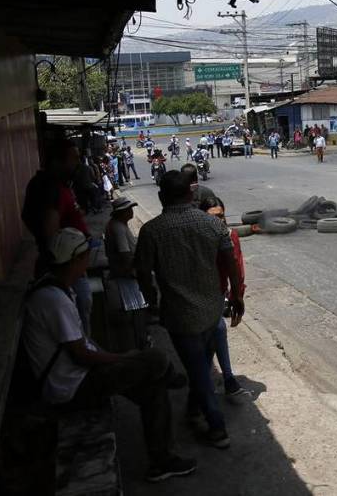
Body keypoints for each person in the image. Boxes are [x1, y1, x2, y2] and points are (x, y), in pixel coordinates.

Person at [22, 228, 195, 482]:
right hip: (72, 388)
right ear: (75, 260)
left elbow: (84, 346)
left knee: (152, 387)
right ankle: (167, 381)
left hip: (78, 377)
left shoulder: (56, 290)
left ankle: (162, 461)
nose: (87, 260)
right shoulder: (54, 300)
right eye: (85, 256)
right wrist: (122, 359)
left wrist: (118, 358)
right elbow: (82, 354)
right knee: (155, 359)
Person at [135, 170, 245, 449]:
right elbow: (230, 260)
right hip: (211, 312)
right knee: (202, 368)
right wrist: (236, 296)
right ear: (190, 195)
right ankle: (193, 411)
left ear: (161, 196)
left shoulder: (151, 231)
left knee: (199, 372)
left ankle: (218, 429)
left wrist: (151, 304)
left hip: (180, 317)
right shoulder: (211, 225)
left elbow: (142, 273)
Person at [22, 138, 95, 333]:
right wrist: (64, 264)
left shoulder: (56, 185)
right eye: (74, 158)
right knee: (77, 321)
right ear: (56, 162)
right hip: (67, 270)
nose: (78, 163)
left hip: (72, 267)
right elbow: (50, 235)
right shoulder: (49, 188)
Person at [199, 195, 252, 402]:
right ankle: (209, 386)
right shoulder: (196, 236)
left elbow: (237, 268)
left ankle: (224, 381)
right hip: (196, 295)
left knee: (217, 333)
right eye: (213, 217)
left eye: (221, 216)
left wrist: (237, 296)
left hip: (218, 295)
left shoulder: (230, 235)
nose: (218, 221)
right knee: (210, 339)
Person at [104, 197, 150, 350]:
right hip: (126, 274)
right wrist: (135, 271)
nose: (131, 212)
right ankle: (140, 341)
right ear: (122, 212)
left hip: (124, 272)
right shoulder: (118, 228)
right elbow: (125, 254)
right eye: (129, 209)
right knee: (137, 308)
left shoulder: (117, 225)